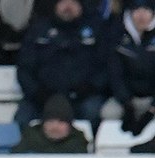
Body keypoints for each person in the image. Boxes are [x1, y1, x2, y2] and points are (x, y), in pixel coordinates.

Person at [15, 0, 110, 125]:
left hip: (83, 97)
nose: (68, 7)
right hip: (42, 98)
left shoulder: (97, 29)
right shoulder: (39, 29)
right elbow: (24, 69)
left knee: (92, 111)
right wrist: (38, 93)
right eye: (63, 1)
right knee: (22, 118)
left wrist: (90, 88)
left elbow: (107, 67)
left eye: (73, 2)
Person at [108, 0, 155, 134]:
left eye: (146, 10)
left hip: (151, 99)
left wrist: (151, 110)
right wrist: (127, 104)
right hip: (127, 99)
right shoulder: (117, 35)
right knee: (107, 113)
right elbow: (115, 75)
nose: (141, 15)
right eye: (137, 10)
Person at [12, 93, 91, 152]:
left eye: (61, 122)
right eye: (50, 121)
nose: (55, 127)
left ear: (69, 125)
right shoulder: (30, 137)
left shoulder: (78, 141)